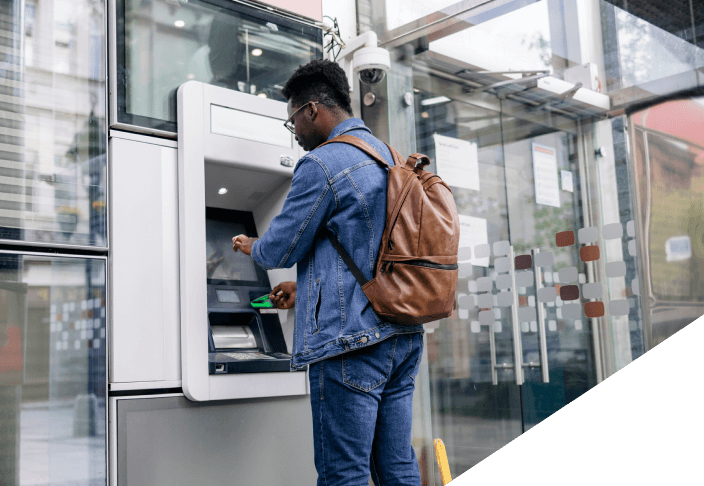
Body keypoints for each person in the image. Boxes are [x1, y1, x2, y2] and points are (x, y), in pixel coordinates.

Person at [232, 59, 424, 486]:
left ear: (312, 110)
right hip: (403, 335)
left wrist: (250, 245)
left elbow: (279, 247)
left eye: (293, 122)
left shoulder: (322, 164)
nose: (295, 134)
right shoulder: (391, 158)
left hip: (350, 344)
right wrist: (306, 288)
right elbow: (369, 249)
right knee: (396, 468)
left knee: (344, 474)